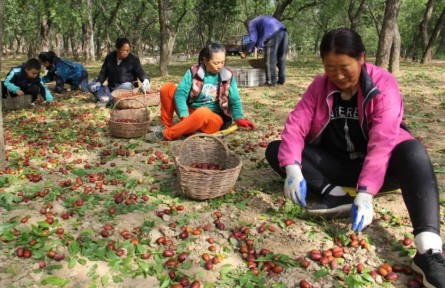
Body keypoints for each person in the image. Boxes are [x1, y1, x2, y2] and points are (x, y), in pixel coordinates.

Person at [265, 28, 445, 287]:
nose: (337, 76)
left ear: (362, 58)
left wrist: (366, 192)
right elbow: (296, 125)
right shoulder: (319, 87)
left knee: (414, 151)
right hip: (338, 165)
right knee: (278, 150)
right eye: (329, 67)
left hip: (380, 169)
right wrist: (292, 168)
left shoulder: (383, 85)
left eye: (345, 67)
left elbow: (383, 143)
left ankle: (428, 250)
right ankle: (336, 194)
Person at [146, 43, 255, 142]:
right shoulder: (194, 72)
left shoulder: (227, 76)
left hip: (213, 119)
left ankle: (167, 134)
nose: (220, 66)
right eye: (216, 63)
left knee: (203, 112)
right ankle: (168, 125)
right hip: (191, 113)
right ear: (205, 60)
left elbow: (234, 100)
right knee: (167, 88)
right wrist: (184, 116)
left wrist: (239, 118)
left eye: (222, 62)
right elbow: (180, 94)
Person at [88, 37, 150, 107]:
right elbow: (103, 72)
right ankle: (109, 99)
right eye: (123, 50)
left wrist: (145, 80)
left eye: (128, 50)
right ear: (117, 49)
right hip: (110, 89)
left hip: (125, 90)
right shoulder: (110, 57)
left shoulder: (133, 59)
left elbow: (140, 72)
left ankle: (107, 99)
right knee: (91, 84)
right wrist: (98, 82)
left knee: (128, 85)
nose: (125, 53)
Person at [240, 15, 288, 86]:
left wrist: (245, 53)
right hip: (284, 32)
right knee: (281, 57)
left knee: (269, 60)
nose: (248, 29)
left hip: (273, 34)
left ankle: (271, 82)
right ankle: (282, 79)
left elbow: (253, 40)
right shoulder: (261, 20)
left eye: (247, 27)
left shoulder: (251, 23)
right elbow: (259, 38)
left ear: (247, 24)